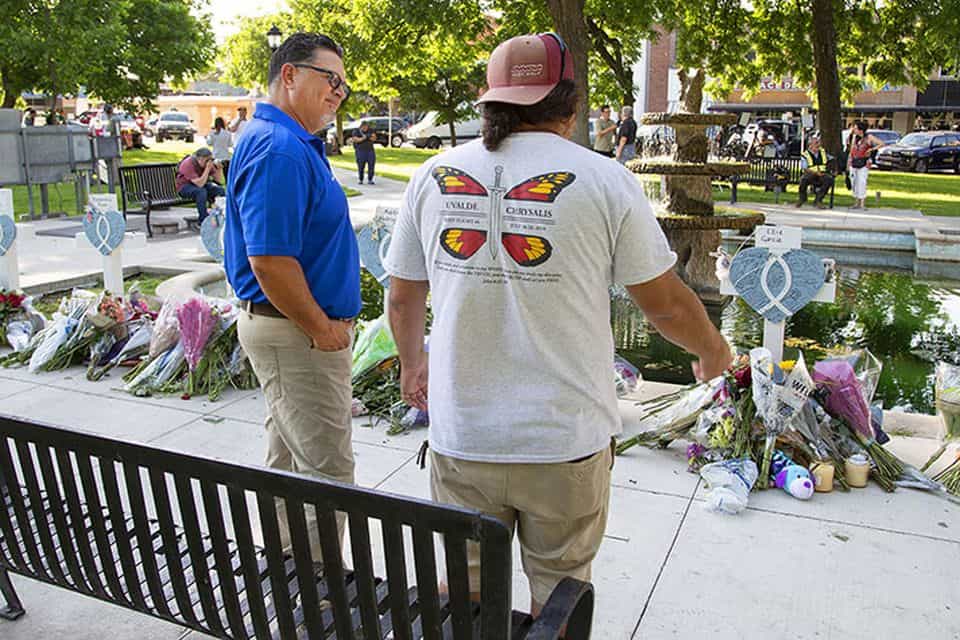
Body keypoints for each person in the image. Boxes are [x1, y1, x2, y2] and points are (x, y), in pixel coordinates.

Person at [385, 32, 732, 616]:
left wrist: (414, 365)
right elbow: (666, 304)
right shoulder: (604, 179)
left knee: (463, 589)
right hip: (564, 443)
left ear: (488, 101)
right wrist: (713, 350)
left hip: (464, 435)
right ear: (570, 105)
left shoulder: (434, 175)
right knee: (560, 594)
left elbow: (402, 299)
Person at [224, 32, 357, 563]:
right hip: (297, 332)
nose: (339, 93)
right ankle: (319, 594)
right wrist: (322, 330)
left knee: (291, 460)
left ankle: (290, 574)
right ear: (290, 74)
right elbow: (270, 260)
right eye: (332, 80)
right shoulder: (279, 148)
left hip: (288, 330)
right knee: (327, 473)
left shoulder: (285, 141)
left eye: (344, 86)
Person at [175, 147, 225, 223]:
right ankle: (203, 220)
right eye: (207, 160)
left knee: (219, 190)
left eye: (211, 159)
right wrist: (207, 169)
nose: (209, 162)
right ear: (199, 159)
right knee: (201, 192)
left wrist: (219, 169)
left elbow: (218, 180)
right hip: (184, 187)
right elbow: (200, 184)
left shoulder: (206, 164)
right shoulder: (188, 164)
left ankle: (220, 216)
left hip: (200, 185)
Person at [846, 120, 884, 211]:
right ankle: (856, 202)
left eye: (855, 128)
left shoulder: (869, 137)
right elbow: (851, 150)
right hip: (854, 162)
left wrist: (871, 149)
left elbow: (881, 143)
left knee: (862, 181)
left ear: (861, 130)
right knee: (854, 181)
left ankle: (862, 202)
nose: (854, 130)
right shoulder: (854, 137)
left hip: (864, 162)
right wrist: (848, 162)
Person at [795, 136, 834, 209]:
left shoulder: (823, 152)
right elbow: (805, 168)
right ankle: (802, 198)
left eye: (818, 143)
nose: (818, 145)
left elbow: (832, 159)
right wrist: (815, 173)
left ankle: (818, 200)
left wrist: (833, 169)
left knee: (828, 180)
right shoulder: (805, 155)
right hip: (811, 174)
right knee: (803, 180)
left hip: (822, 174)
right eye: (816, 143)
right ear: (810, 145)